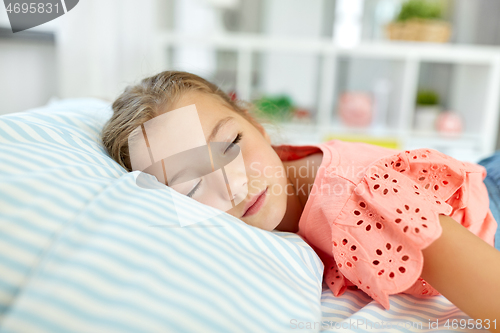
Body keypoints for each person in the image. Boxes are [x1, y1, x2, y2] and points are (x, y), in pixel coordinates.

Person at [102, 71, 500, 330]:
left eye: (232, 144)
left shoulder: (355, 198)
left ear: (256, 124)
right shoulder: (275, 176)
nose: (234, 184)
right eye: (191, 186)